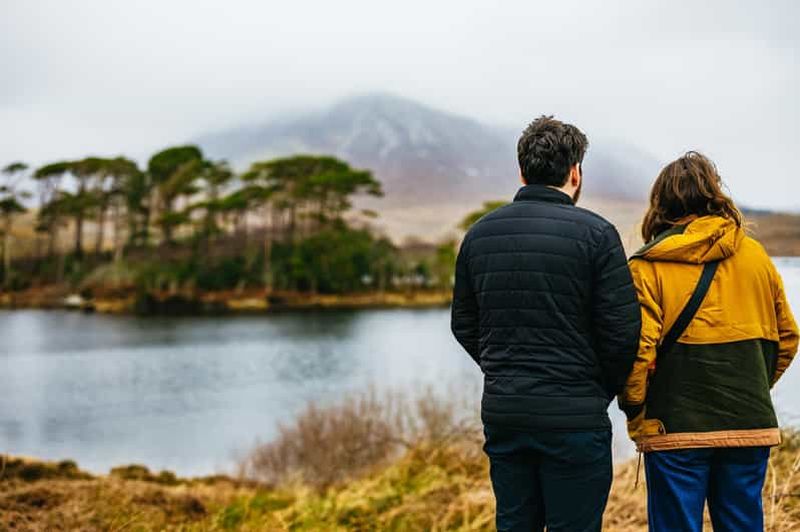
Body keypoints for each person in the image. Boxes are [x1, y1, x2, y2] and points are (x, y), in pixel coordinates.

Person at [450, 115, 641, 531]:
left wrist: (504, 370)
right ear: (575, 173)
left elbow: (464, 323)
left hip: (506, 413)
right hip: (575, 418)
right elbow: (623, 332)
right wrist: (596, 390)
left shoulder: (480, 235)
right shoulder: (598, 235)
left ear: (522, 172)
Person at [618, 151, 799, 531]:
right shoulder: (755, 256)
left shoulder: (647, 265)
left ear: (661, 202)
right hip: (749, 423)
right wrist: (750, 385)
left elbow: (637, 352)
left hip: (674, 427)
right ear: (714, 194)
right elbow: (788, 336)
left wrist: (637, 412)